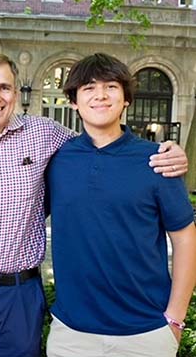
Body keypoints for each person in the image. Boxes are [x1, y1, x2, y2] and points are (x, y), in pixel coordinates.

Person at [0, 52, 189, 357]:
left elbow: (185, 237)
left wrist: (175, 152)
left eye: (4, 87)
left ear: (16, 94)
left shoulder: (47, 136)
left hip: (22, 293)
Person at [45, 53, 196, 357]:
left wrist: (174, 320)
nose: (100, 95)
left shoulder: (157, 160)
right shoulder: (56, 160)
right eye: (88, 88)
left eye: (110, 86)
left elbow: (186, 239)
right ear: (73, 101)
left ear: (126, 98)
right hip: (71, 334)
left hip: (145, 333)